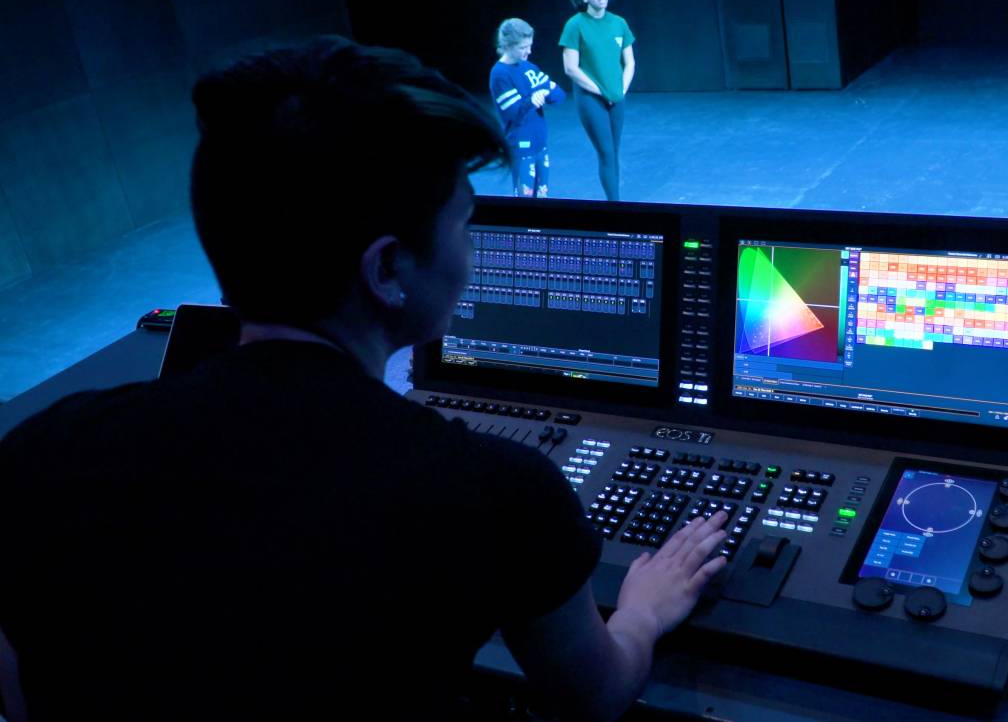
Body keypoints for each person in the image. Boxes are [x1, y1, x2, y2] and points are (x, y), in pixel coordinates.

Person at [0, 36, 727, 722]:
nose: (470, 253)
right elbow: (594, 697)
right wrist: (642, 610)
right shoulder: (494, 492)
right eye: (463, 225)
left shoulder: (43, 451)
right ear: (387, 270)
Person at [559, 0, 635, 201]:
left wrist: (620, 89)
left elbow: (630, 62)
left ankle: (616, 200)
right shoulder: (575, 24)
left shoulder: (619, 23)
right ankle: (614, 206)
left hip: (616, 96)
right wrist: (601, 92)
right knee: (605, 152)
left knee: (614, 152)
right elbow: (570, 68)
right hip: (590, 98)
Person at [490, 18, 566, 197]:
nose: (528, 51)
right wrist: (532, 99)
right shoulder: (500, 74)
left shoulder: (529, 68)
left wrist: (544, 94)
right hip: (520, 147)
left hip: (540, 143)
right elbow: (513, 113)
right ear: (507, 46)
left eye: (529, 46)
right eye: (523, 48)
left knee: (542, 195)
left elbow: (559, 95)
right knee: (524, 199)